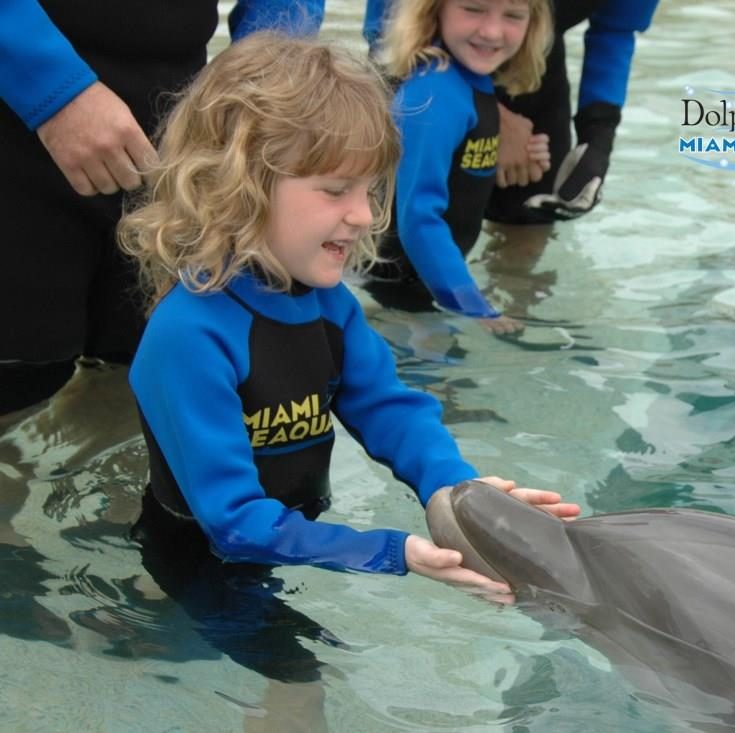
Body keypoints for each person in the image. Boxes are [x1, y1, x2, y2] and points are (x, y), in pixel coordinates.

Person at [116, 33, 579, 681]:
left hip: (299, 538)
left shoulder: (328, 304)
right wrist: (394, 551)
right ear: (240, 183)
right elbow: (235, 521)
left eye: (370, 188)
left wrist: (453, 492)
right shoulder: (189, 337)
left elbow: (391, 409)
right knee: (295, 689)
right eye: (337, 189)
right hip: (208, 553)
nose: (365, 215)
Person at [0, 0, 325, 417]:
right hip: (16, 122)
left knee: (141, 377)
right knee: (20, 381)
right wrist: (53, 92)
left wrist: (257, 83)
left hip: (172, 143)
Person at [363, 0, 659, 224]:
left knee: (529, 227)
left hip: (533, 59)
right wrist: (488, 118)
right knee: (403, 226)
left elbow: (615, 30)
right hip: (423, 55)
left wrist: (598, 138)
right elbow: (388, 29)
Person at [364, 0, 553, 333]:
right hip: (403, 289)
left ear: (533, 24)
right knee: (432, 380)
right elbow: (419, 217)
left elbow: (459, 176)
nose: (492, 31)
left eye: (512, 15)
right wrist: (473, 307)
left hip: (427, 283)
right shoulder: (434, 93)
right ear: (433, 9)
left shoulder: (466, 80)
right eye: (473, 9)